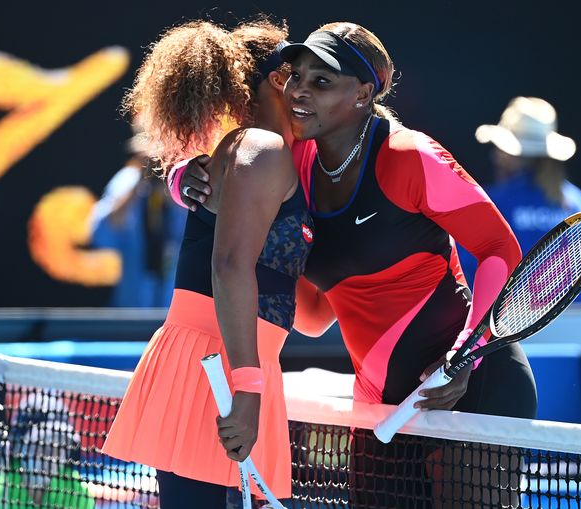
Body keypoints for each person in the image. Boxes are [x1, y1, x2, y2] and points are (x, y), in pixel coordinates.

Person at [173, 22, 537, 507]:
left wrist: (463, 357)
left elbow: (500, 249)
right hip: (379, 403)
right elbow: (313, 317)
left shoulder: (410, 157)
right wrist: (185, 180)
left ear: (364, 94)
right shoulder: (293, 160)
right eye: (297, 76)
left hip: (471, 382)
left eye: (321, 81)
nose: (301, 90)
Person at [101, 19, 313, 508]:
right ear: (280, 80)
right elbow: (230, 268)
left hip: (228, 363)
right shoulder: (263, 148)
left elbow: (307, 312)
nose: (311, 90)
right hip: (224, 370)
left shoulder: (263, 153)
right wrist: (248, 386)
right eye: (304, 76)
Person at [458, 96, 581, 301]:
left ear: (509, 153)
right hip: (575, 328)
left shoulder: (491, 203)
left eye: (499, 147)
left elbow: (464, 277)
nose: (495, 155)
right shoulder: (578, 203)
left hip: (508, 331)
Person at [89, 123, 187, 307]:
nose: (157, 160)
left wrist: (169, 185)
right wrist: (142, 178)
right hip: (133, 305)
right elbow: (100, 233)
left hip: (173, 306)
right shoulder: (126, 180)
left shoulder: (181, 182)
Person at [0, 393, 95, 509]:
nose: (52, 456)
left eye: (60, 446)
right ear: (18, 448)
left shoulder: (80, 493)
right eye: (42, 445)